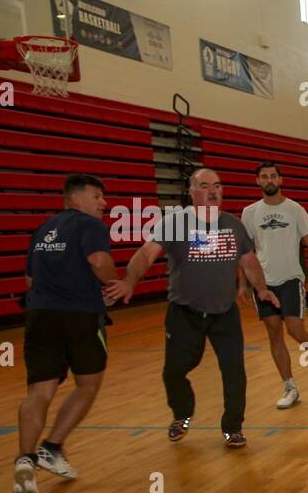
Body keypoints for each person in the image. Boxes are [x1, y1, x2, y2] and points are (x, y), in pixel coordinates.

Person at [107, 168, 278, 448]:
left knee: (234, 370)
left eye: (218, 186)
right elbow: (145, 254)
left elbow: (249, 262)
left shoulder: (234, 226)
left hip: (224, 313)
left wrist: (261, 288)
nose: (213, 191)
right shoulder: (174, 223)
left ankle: (233, 428)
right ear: (192, 192)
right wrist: (129, 281)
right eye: (205, 186)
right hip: (184, 313)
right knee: (174, 371)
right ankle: (182, 414)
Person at [13, 174, 120, 493]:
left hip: (40, 316)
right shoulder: (90, 226)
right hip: (79, 317)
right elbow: (99, 261)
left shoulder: (44, 229)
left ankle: (25, 462)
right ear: (77, 198)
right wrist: (113, 283)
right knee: (88, 383)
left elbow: (30, 279)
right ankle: (53, 446)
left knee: (39, 391)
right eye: (98, 196)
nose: (104, 203)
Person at [239, 162, 308, 409]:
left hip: (291, 279)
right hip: (263, 283)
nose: (269, 180)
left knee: (295, 330)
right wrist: (243, 285)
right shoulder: (249, 212)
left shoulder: (295, 210)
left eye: (273, 176)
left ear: (280, 180)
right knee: (273, 331)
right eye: (264, 177)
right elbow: (244, 252)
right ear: (258, 182)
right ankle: (290, 387)